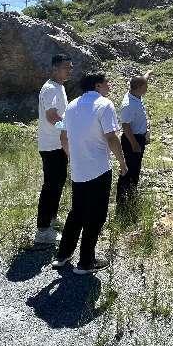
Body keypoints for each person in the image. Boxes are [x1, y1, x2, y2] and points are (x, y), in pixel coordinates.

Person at [52, 73, 127, 274]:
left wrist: (73, 156)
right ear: (98, 85)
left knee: (77, 212)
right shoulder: (105, 104)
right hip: (99, 169)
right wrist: (122, 162)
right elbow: (111, 137)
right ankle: (86, 262)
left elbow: (63, 137)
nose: (109, 85)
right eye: (107, 82)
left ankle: (62, 255)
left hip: (78, 169)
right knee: (96, 215)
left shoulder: (72, 105)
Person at [34, 53, 72, 245]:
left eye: (70, 67)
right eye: (66, 67)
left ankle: (51, 219)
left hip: (58, 144)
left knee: (58, 183)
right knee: (50, 186)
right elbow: (51, 117)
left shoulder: (59, 87)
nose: (69, 70)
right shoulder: (50, 89)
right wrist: (68, 129)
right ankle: (43, 230)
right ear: (55, 68)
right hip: (51, 146)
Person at [116, 71, 153, 206]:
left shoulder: (135, 94)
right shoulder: (128, 104)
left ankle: (132, 195)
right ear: (138, 87)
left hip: (139, 138)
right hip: (132, 139)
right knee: (129, 169)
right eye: (145, 86)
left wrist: (148, 73)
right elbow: (126, 126)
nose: (147, 88)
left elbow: (142, 79)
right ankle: (123, 200)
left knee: (136, 168)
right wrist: (134, 144)